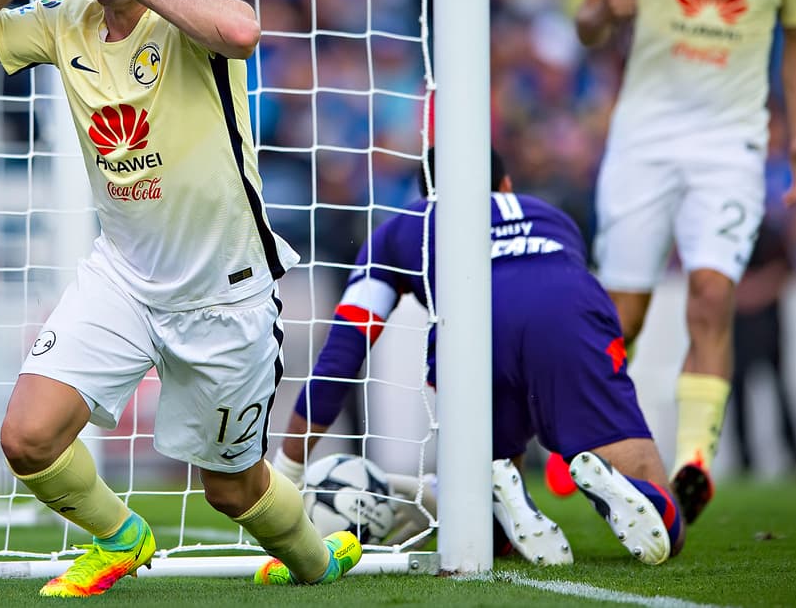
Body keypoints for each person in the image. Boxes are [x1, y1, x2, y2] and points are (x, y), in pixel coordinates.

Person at [0, 0, 360, 595]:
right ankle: (122, 537)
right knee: (26, 438)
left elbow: (244, 33)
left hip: (225, 289)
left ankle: (316, 557)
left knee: (232, 489)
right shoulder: (66, 16)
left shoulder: (191, 0)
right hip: (122, 275)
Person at [573, 0, 796, 524]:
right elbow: (585, 22)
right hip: (644, 137)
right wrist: (603, 14)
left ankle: (690, 466)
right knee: (625, 312)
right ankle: (581, 448)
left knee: (712, 295)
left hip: (730, 142)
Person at [273, 148, 686, 565]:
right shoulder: (551, 214)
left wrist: (286, 475)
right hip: (568, 310)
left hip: (472, 335)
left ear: (426, 195)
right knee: (668, 528)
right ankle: (630, 490)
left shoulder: (402, 227)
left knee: (477, 527)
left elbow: (341, 358)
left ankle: (494, 499)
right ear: (505, 184)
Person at [730, 219, 796, 475]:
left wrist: (751, 290)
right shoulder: (727, 234)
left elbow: (784, 269)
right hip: (738, 328)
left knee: (779, 388)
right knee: (738, 391)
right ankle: (744, 461)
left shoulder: (770, 233)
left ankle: (795, 455)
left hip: (767, 326)